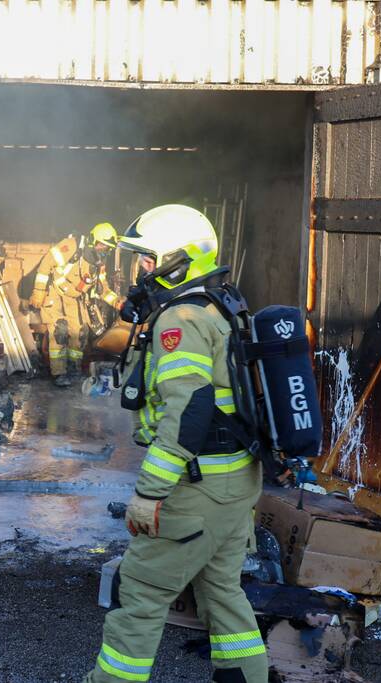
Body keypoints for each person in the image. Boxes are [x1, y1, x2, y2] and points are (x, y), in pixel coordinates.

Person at [86, 205, 267, 683]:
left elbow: (188, 412)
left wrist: (149, 493)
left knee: (139, 596)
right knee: (223, 594)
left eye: (148, 260)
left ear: (177, 263)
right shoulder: (220, 305)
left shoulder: (181, 320)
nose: (141, 271)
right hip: (235, 481)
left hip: (199, 489)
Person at [29, 222, 123, 387]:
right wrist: (39, 290)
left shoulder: (98, 263)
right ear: (93, 240)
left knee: (79, 332)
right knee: (60, 331)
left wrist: (117, 301)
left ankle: (74, 369)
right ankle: (59, 373)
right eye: (102, 245)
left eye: (107, 248)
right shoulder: (72, 246)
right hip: (55, 293)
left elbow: (102, 288)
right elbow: (46, 263)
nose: (103, 250)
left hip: (74, 297)